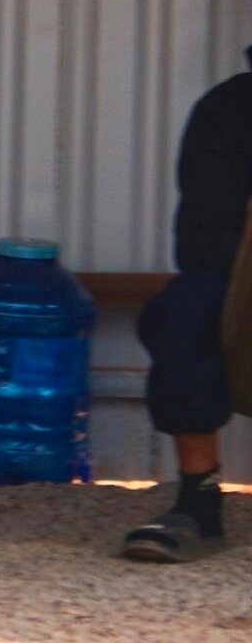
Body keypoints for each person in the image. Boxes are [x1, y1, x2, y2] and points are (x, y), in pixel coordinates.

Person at [120, 50, 252, 561]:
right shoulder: (230, 110)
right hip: (244, 272)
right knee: (183, 311)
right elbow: (205, 237)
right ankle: (197, 504)